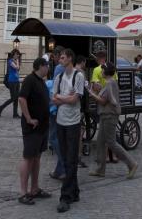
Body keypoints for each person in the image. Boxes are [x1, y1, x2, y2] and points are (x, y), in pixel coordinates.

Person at [88, 62, 138, 180]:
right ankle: (100, 169)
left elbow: (103, 101)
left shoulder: (110, 83)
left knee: (111, 142)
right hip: (106, 115)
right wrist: (99, 90)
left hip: (109, 116)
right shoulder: (109, 83)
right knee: (100, 141)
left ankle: (132, 164)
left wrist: (91, 94)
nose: (101, 72)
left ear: (106, 72)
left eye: (102, 70)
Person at [53, 48, 85, 213]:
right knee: (66, 158)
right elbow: (54, 99)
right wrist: (65, 98)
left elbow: (74, 100)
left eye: (63, 57)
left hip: (73, 122)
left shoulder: (78, 76)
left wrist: (62, 98)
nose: (60, 60)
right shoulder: (58, 77)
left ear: (70, 59)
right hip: (61, 121)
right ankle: (75, 191)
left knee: (71, 159)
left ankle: (65, 196)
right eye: (60, 58)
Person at [17, 56, 51, 205]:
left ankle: (34, 189)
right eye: (47, 66)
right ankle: (23, 193)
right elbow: (21, 99)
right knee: (28, 157)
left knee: (37, 157)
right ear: (41, 66)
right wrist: (29, 118)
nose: (49, 68)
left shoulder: (41, 81)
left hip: (43, 126)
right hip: (32, 127)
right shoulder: (30, 80)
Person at [0, 49, 21, 118]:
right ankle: (1, 107)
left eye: (18, 54)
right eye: (17, 54)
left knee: (16, 98)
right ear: (13, 54)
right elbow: (16, 67)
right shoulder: (10, 61)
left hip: (17, 81)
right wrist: (17, 61)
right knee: (13, 98)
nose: (18, 55)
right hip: (11, 81)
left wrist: (17, 62)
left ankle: (15, 114)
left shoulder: (16, 61)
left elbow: (18, 68)